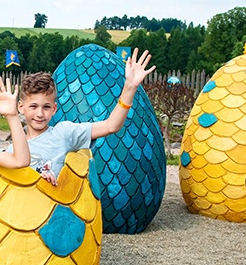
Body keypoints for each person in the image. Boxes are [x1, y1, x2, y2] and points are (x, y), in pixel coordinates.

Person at [12, 47, 155, 185]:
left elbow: (110, 126)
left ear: (54, 108)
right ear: (21, 107)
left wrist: (130, 86)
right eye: (33, 106)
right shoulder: (14, 150)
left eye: (46, 107)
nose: (40, 114)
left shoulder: (63, 133)